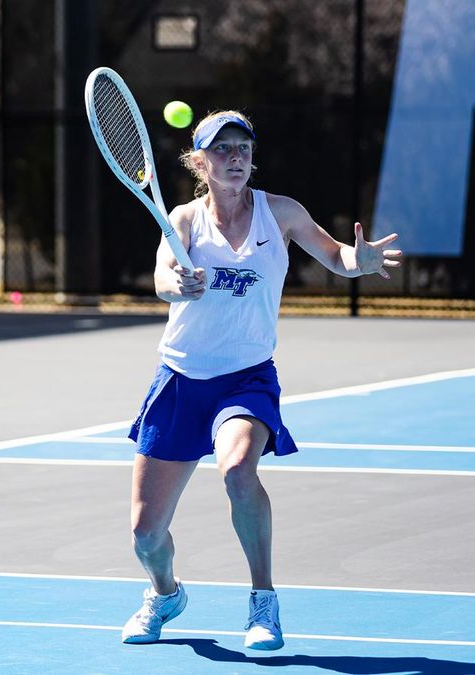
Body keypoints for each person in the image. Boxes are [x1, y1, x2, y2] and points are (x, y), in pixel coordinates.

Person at [121, 110, 401, 650]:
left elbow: (333, 254)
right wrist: (179, 284)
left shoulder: (281, 213)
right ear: (200, 162)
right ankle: (164, 593)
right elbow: (162, 279)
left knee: (237, 471)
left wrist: (356, 259)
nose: (235, 158)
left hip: (244, 379)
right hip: (180, 381)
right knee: (145, 535)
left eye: (243, 148)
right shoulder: (181, 220)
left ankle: (263, 604)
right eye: (222, 149)